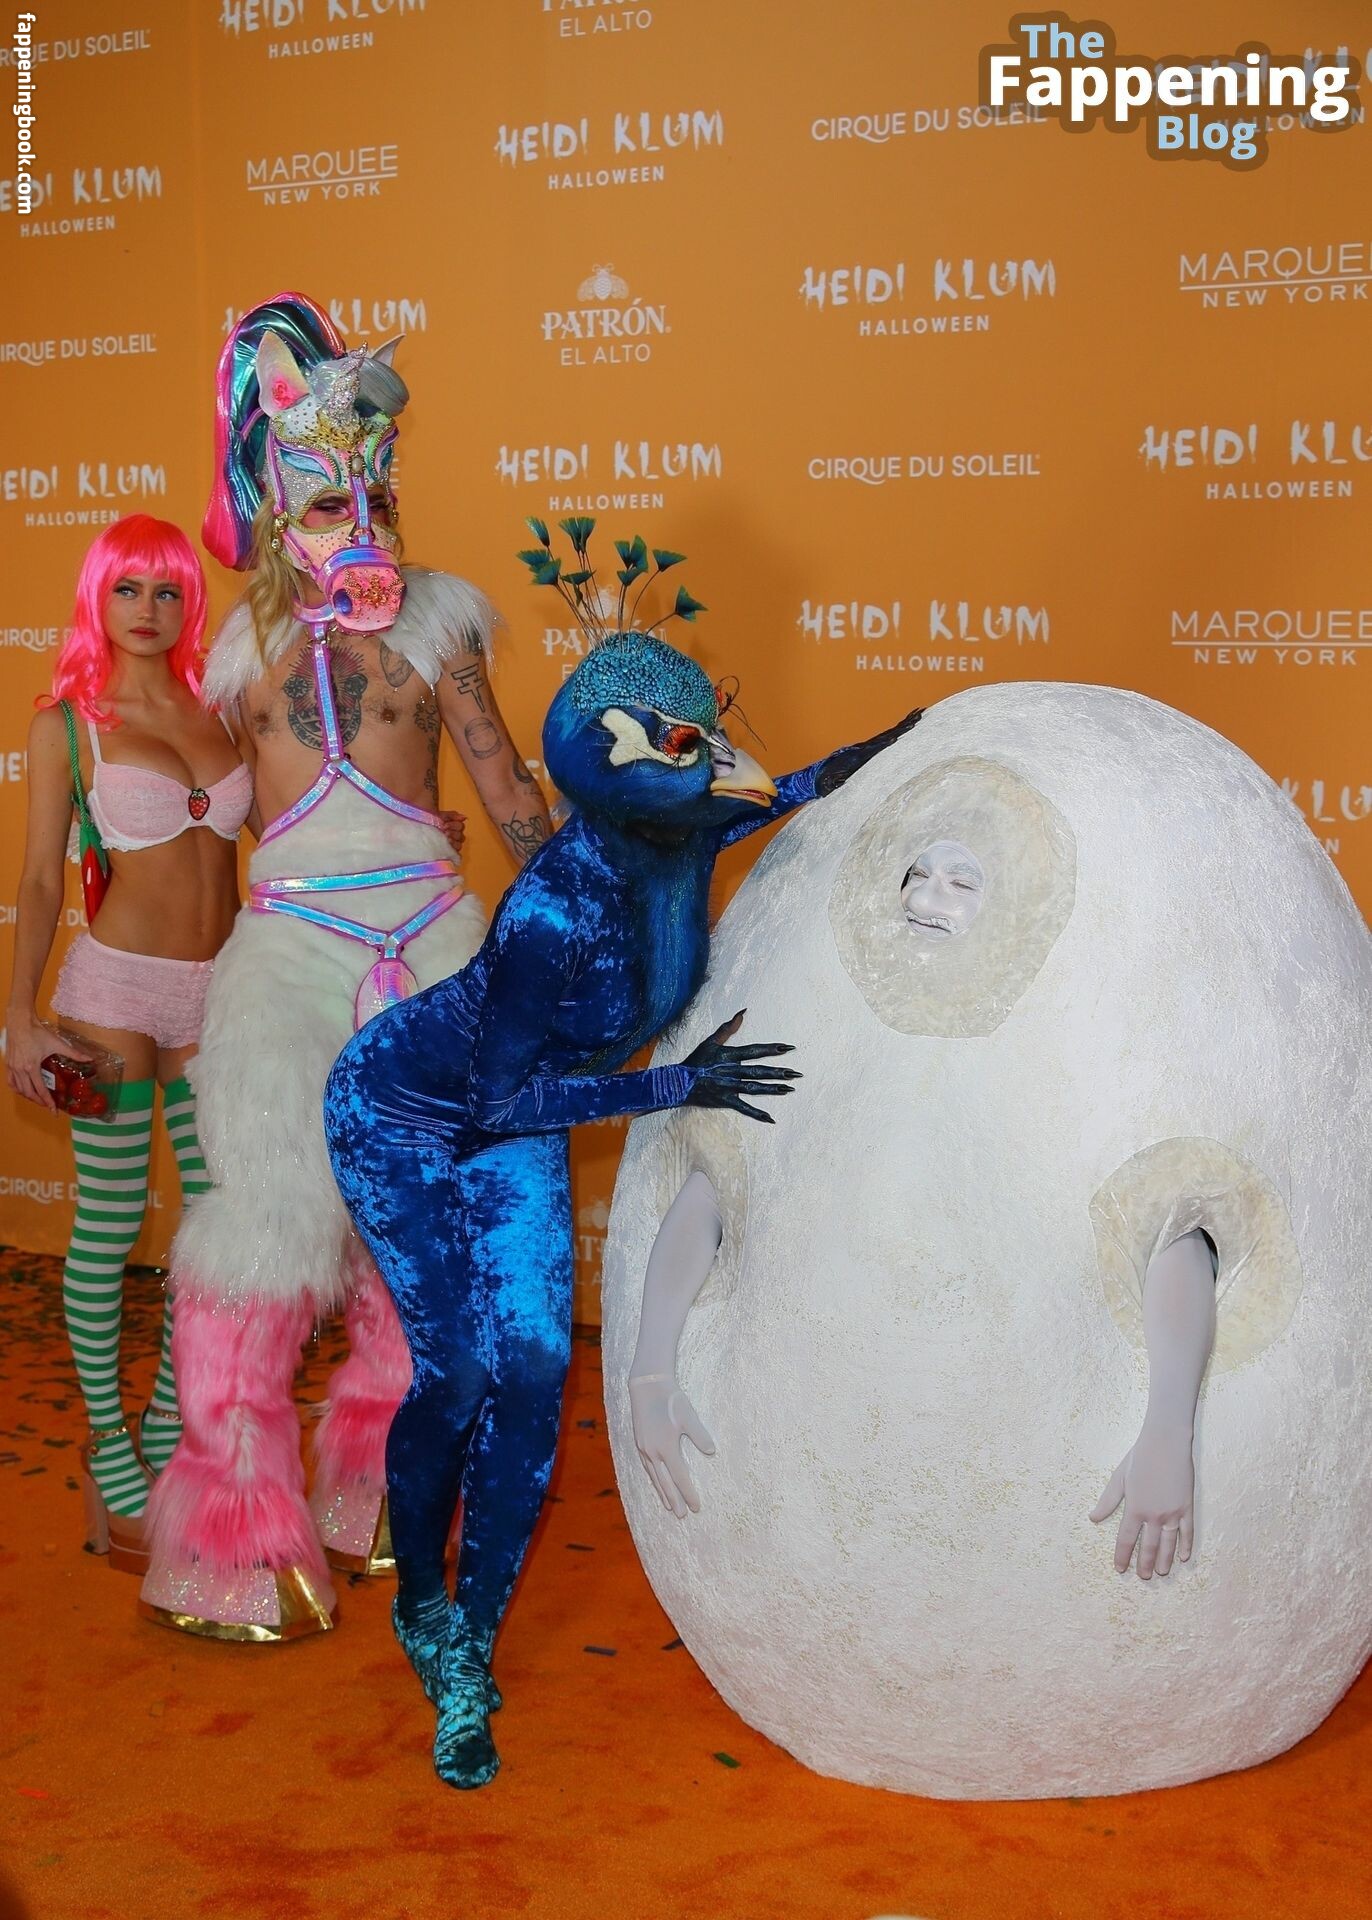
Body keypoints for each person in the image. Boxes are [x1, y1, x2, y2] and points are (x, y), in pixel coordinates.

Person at [324, 521, 921, 1786]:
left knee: (536, 1378)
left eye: (709, 734)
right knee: (458, 1372)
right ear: (613, 762)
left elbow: (784, 790)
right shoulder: (552, 910)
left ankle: (466, 1649)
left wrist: (898, 750)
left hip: (514, 1115)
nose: (721, 760)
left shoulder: (678, 831)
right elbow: (502, 1100)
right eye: (688, 745)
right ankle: (419, 1599)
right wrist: (677, 1086)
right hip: (410, 1114)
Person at [140, 292, 551, 1642]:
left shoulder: (443, 627)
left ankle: (377, 1481)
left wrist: (581, 922)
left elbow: (505, 785)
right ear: (273, 499)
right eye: (324, 489)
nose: (356, 511)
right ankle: (230, 1526)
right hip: (292, 943)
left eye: (372, 486)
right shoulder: (238, 651)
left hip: (430, 932)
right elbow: (200, 812)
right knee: (264, 1218)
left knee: (431, 1223)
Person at [5, 515, 250, 1574]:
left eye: (167, 591)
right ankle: (112, 1453)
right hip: (113, 994)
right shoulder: (68, 725)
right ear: (95, 599)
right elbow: (39, 879)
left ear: (189, 603)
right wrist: (20, 1017)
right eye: (127, 589)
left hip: (219, 996)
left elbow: (284, 837)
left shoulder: (221, 710)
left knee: (213, 1227)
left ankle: (165, 1427)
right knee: (106, 1232)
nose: (147, 611)